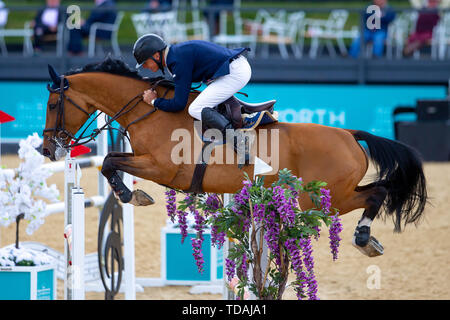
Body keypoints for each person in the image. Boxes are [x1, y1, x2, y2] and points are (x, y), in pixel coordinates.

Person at [133, 34, 252, 159]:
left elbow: (179, 104)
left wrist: (154, 101)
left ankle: (239, 142)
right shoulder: (175, 55)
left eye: (145, 62)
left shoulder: (176, 60)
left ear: (156, 55)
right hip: (232, 68)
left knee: (195, 109)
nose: (145, 67)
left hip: (234, 73)